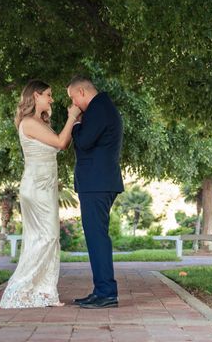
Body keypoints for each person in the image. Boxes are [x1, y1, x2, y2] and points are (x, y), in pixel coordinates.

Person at [0, 80, 81, 309]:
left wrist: (73, 121)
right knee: (48, 237)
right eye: (48, 94)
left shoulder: (40, 122)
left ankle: (43, 292)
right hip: (35, 188)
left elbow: (59, 142)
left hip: (45, 187)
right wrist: (72, 117)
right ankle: (19, 289)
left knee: (44, 238)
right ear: (35, 96)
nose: (51, 99)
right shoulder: (28, 123)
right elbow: (61, 143)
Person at [67, 75, 124, 309]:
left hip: (97, 185)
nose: (73, 104)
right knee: (96, 237)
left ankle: (106, 292)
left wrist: (76, 122)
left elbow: (83, 142)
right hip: (98, 183)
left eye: (73, 98)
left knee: (97, 238)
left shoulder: (98, 109)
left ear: (81, 92)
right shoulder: (102, 108)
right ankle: (102, 289)